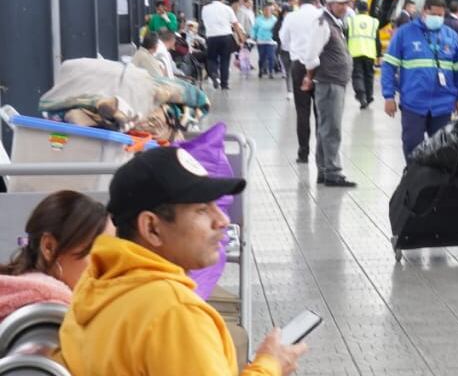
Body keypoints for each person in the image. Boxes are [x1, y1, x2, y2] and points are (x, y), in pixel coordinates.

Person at [56, 147, 306, 376]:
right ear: (151, 227)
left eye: (215, 205)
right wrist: (269, 366)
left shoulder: (95, 286)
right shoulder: (174, 312)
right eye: (201, 210)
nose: (221, 220)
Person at [0, 191, 111, 321]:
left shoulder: (21, 297)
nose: (109, 267)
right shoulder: (52, 313)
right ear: (49, 247)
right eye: (97, 252)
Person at [382, 0, 458, 160]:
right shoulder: (404, 33)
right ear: (424, 12)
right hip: (413, 102)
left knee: (443, 149)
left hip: (443, 104)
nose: (437, 18)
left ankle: (437, 184)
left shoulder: (451, 36)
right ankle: (413, 181)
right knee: (412, 146)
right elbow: (389, 66)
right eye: (434, 14)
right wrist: (389, 96)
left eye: (441, 15)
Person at [298, 0, 358, 188]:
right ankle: (332, 171)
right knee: (332, 128)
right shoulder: (323, 23)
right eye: (341, 3)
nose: (345, 6)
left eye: (346, 3)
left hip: (334, 82)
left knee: (327, 127)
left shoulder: (334, 23)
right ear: (331, 4)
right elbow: (311, 55)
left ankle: (325, 170)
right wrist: (309, 76)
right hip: (329, 83)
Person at [279, 0, 321, 163]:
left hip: (299, 66)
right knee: (321, 110)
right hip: (320, 66)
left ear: (300, 2)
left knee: (302, 111)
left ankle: (303, 153)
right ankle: (322, 152)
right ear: (316, 1)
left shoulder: (291, 17)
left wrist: (297, 50)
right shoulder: (322, 15)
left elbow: (284, 41)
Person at [202, 0, 242, 90]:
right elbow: (235, 24)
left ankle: (214, 74)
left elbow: (204, 21)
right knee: (225, 60)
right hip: (226, 36)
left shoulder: (205, 8)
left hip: (211, 37)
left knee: (211, 58)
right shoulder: (227, 8)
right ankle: (224, 84)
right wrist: (240, 37)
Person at [347, 0, 381, 109]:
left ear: (357, 9)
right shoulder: (374, 22)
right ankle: (369, 96)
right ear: (367, 10)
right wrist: (379, 55)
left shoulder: (350, 21)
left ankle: (361, 96)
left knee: (357, 75)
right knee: (369, 75)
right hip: (370, 52)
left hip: (354, 52)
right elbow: (377, 40)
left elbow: (345, 38)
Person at [252, 6, 280, 79]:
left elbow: (277, 29)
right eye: (265, 10)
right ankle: (261, 69)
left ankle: (270, 72)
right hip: (261, 40)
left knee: (271, 57)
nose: (267, 12)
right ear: (263, 11)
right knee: (262, 57)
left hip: (271, 41)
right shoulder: (258, 19)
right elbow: (254, 29)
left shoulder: (274, 20)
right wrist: (253, 36)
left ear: (271, 12)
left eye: (268, 11)